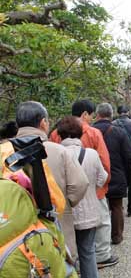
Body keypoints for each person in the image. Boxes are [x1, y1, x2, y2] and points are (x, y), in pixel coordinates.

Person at [15, 101, 89, 260]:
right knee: (59, 264)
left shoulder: (3, 152)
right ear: (43, 123)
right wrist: (66, 203)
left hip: (13, 238)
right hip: (55, 225)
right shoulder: (58, 151)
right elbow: (80, 184)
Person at [49, 99, 116, 268]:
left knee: (66, 240)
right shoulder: (93, 133)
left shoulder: (55, 135)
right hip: (91, 192)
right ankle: (102, 256)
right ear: (85, 114)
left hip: (61, 197)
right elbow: (105, 165)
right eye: (91, 115)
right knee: (98, 229)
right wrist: (99, 187)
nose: (92, 118)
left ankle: (73, 266)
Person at [57, 116, 108, 278]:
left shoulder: (55, 154)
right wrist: (91, 189)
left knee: (66, 256)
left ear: (60, 134)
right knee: (88, 252)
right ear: (80, 133)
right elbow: (103, 177)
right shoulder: (91, 154)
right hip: (89, 212)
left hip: (65, 215)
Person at [93, 103, 131, 246]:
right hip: (116, 173)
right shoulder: (119, 132)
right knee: (117, 206)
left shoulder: (89, 132)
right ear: (111, 116)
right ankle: (116, 236)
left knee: (96, 205)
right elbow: (129, 155)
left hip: (95, 176)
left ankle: (97, 239)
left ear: (97, 115)